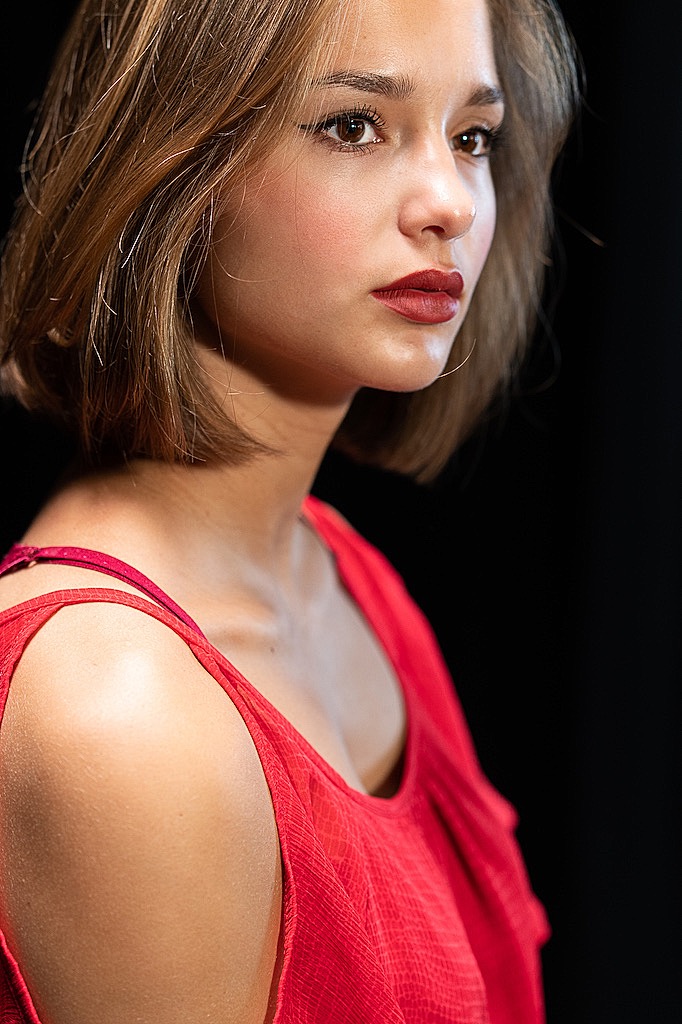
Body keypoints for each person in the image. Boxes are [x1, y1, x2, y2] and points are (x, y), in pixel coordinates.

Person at [0, 0, 578, 1021]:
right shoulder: (118, 708)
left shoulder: (345, 576)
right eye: (354, 126)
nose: (449, 203)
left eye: (472, 137)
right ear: (174, 163)